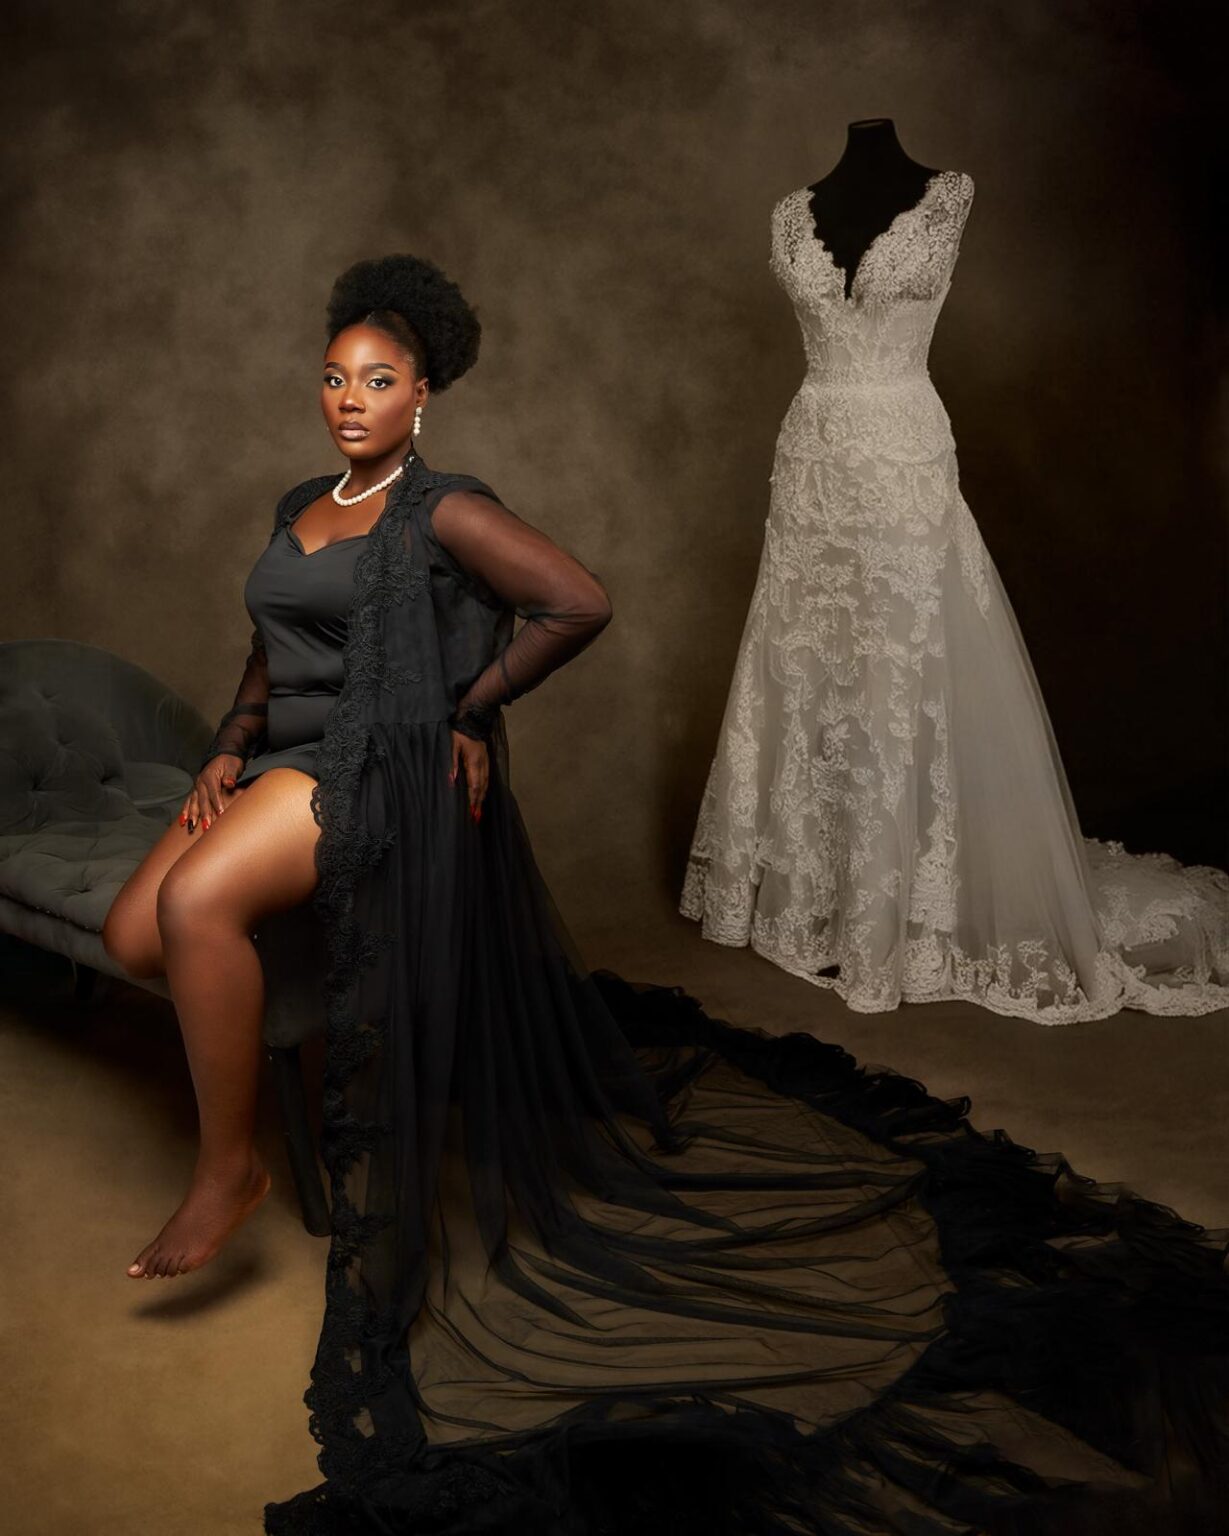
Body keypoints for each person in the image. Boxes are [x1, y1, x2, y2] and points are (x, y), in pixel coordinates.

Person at [101, 256, 1228, 1535]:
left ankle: (230, 1170)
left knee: (192, 912)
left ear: (422, 396)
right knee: (133, 935)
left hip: (368, 771)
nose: (349, 399)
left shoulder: (445, 509)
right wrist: (227, 743)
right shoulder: (301, 503)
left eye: (378, 380)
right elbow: (266, 648)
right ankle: (302, 1037)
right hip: (275, 762)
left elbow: (575, 602)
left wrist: (463, 711)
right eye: (333, 378)